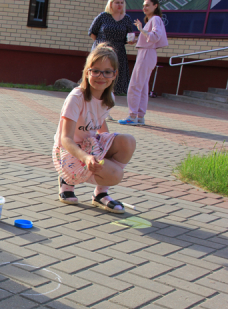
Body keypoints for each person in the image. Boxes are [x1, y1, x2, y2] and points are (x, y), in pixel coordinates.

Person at [53, 43, 136, 214]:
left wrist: (105, 151)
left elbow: (100, 127)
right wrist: (87, 158)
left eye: (107, 72)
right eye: (96, 70)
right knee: (115, 174)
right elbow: (65, 139)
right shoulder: (76, 97)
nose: (101, 76)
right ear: (87, 72)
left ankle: (100, 194)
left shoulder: (108, 96)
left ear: (115, 74)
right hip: (68, 152)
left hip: (90, 145)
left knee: (128, 141)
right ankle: (66, 180)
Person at [119, 0, 167, 126]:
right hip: (147, 53)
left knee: (135, 85)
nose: (144, 7)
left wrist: (141, 29)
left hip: (146, 54)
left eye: (147, 5)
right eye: (143, 5)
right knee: (143, 86)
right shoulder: (152, 20)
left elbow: (155, 36)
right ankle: (139, 116)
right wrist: (136, 40)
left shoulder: (155, 19)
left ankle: (132, 116)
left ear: (155, 6)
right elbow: (150, 38)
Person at [89, 0, 135, 96]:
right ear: (111, 4)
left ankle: (109, 98)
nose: (119, 5)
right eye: (117, 2)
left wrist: (131, 41)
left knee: (113, 76)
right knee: (99, 73)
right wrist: (99, 45)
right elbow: (92, 32)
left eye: (122, 2)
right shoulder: (103, 16)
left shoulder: (127, 19)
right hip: (102, 51)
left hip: (118, 52)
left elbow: (129, 36)